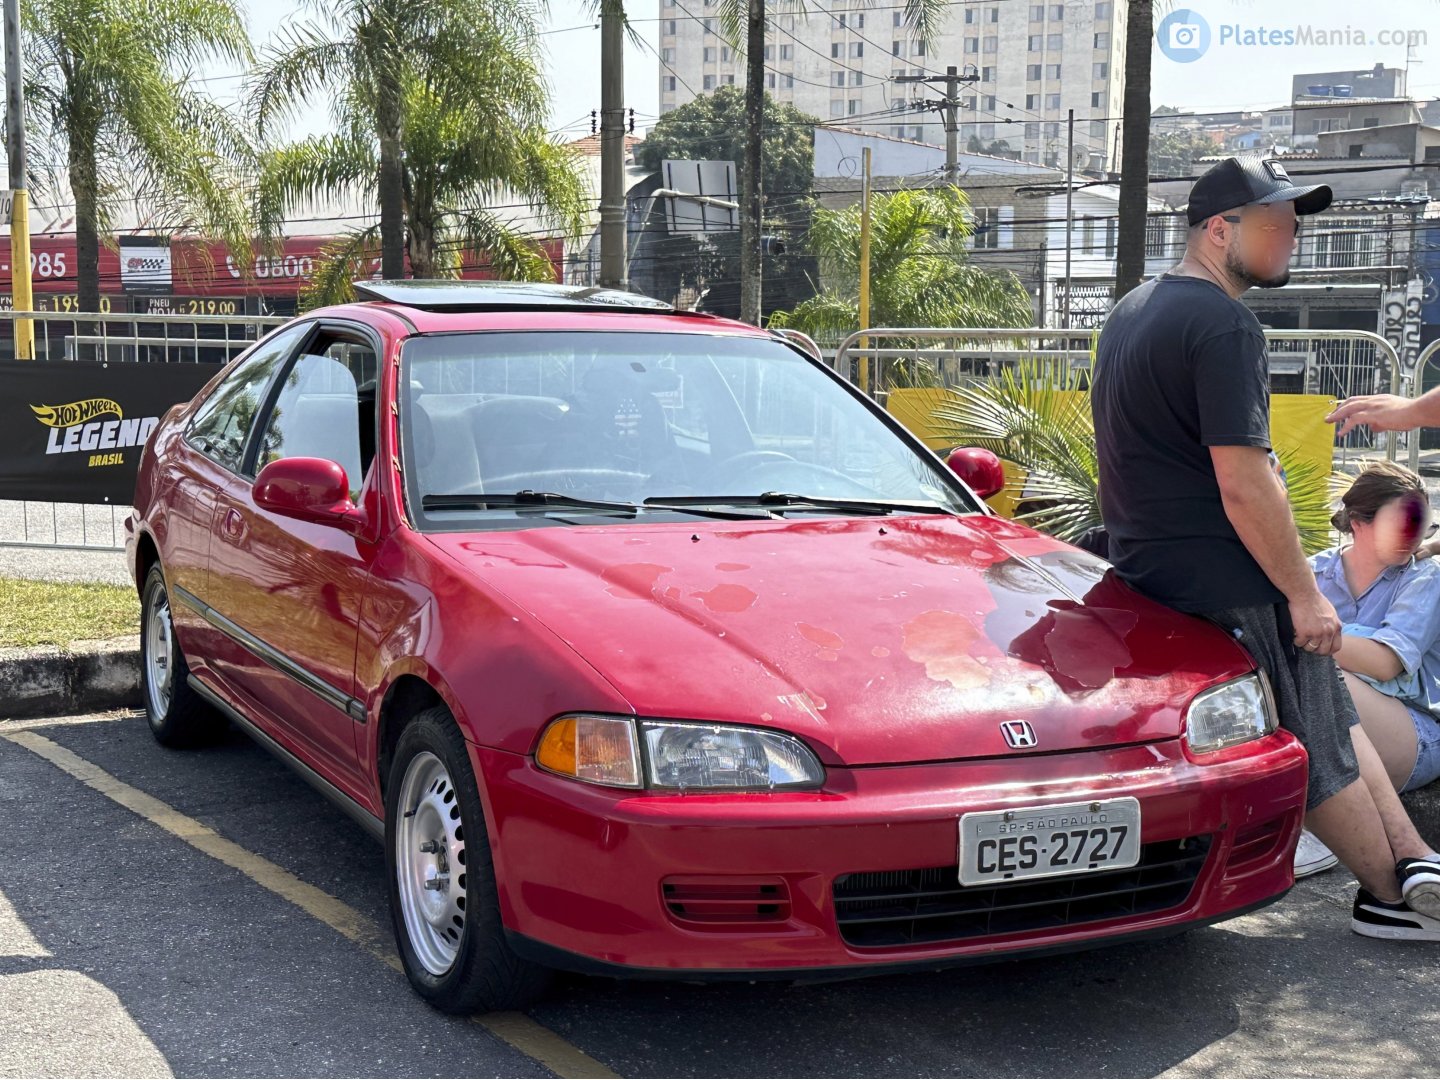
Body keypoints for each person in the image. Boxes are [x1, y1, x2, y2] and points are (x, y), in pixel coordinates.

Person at [1090, 155, 1440, 941]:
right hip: (1226, 576)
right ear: (1219, 231)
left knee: (1328, 705)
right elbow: (1245, 482)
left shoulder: (1133, 309)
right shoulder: (1224, 324)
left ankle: (1416, 857)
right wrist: (1302, 594)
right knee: (1316, 731)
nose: (1291, 237)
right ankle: (1393, 897)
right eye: (1274, 222)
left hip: (1152, 568)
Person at [1293, 463, 1440, 877]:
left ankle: (1320, 836)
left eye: (1421, 524)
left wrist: (1303, 633)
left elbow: (1384, 661)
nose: (1414, 535)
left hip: (1414, 731)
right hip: (1334, 720)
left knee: (1318, 673)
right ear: (1358, 521)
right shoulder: (1311, 574)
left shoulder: (1422, 578)